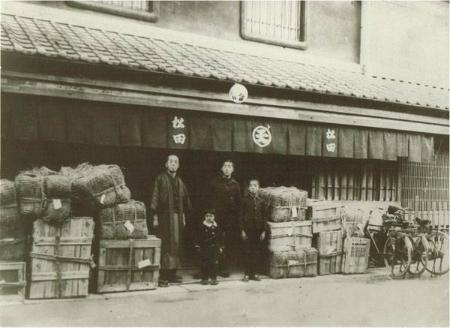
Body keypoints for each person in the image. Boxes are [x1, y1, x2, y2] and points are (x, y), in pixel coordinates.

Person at [150, 154, 192, 287]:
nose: (173, 164)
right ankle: (163, 275)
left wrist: (183, 217)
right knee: (166, 244)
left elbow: (185, 202)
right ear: (166, 164)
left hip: (177, 217)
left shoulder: (180, 181)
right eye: (171, 161)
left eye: (176, 162)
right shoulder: (160, 179)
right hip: (164, 216)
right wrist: (155, 217)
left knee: (176, 244)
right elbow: (155, 198)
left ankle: (173, 273)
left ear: (178, 165)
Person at [209, 160, 242, 277]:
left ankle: (224, 267)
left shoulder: (236, 185)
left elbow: (239, 204)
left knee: (227, 244)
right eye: (225, 166)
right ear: (222, 168)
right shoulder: (215, 183)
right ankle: (213, 268)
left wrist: (238, 220)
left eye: (229, 166)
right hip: (217, 217)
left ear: (232, 170)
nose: (227, 168)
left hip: (230, 219)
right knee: (215, 242)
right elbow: (210, 200)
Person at [240, 179, 266, 281]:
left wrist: (263, 230)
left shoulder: (261, 201)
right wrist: (242, 229)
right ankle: (247, 274)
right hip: (248, 229)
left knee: (256, 252)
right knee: (247, 251)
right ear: (248, 188)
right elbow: (241, 216)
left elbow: (265, 216)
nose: (253, 187)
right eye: (251, 185)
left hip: (258, 230)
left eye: (255, 185)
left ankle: (254, 273)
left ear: (258, 187)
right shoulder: (244, 200)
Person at [195, 209, 223, 285]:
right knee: (205, 263)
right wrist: (198, 246)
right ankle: (205, 278)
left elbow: (220, 237)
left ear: (214, 217)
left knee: (214, 263)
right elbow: (198, 237)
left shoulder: (216, 226)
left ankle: (214, 278)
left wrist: (221, 247)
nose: (209, 218)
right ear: (205, 217)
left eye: (211, 216)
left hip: (215, 247)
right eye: (207, 216)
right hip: (205, 247)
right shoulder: (202, 226)